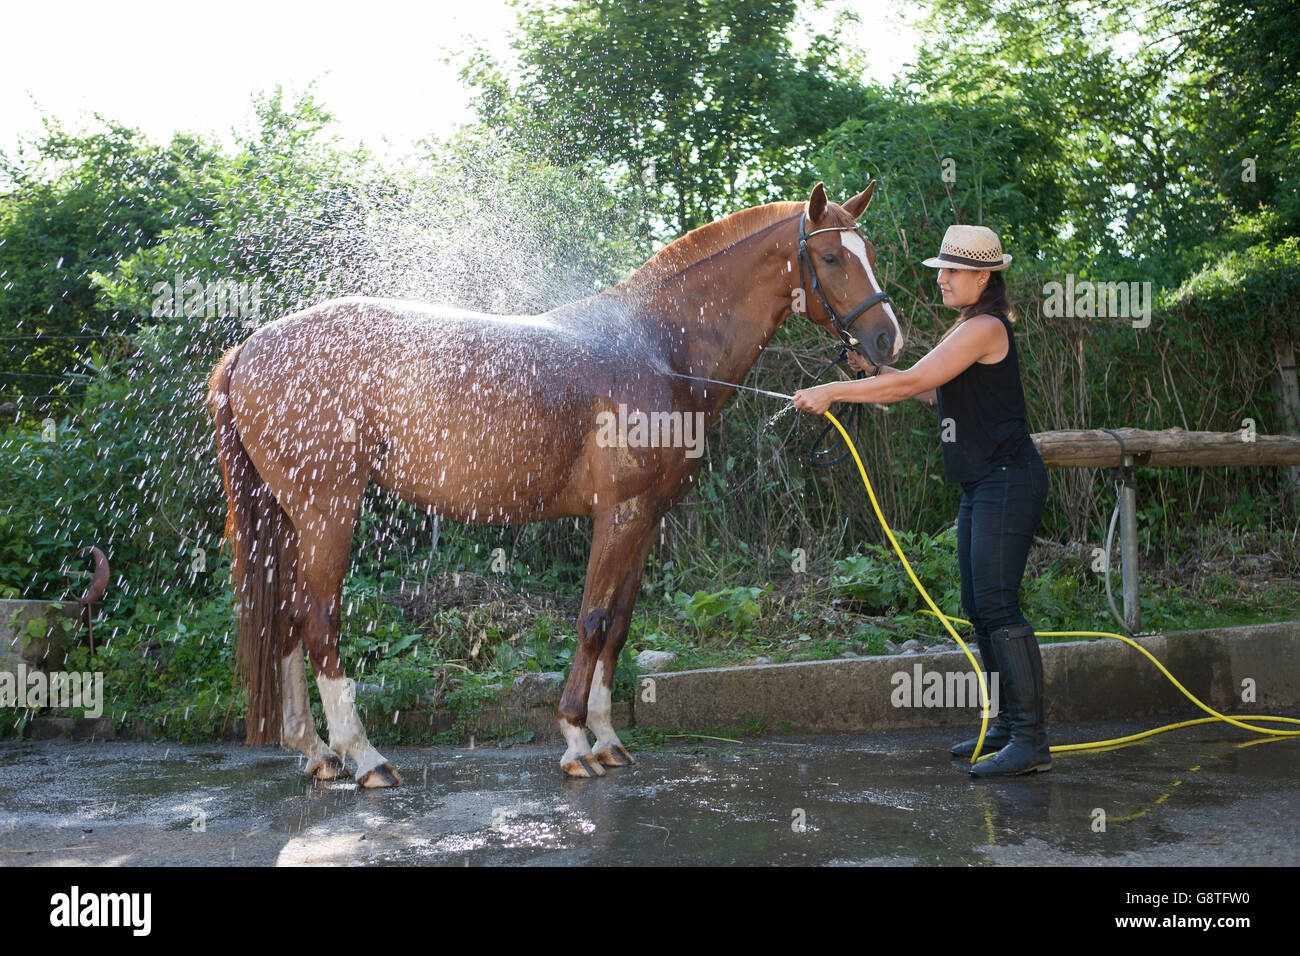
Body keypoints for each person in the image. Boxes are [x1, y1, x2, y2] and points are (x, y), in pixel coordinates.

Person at [792, 224, 1051, 776]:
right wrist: (873, 372)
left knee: (1000, 606)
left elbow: (909, 386)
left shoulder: (984, 326)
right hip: (984, 483)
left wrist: (834, 390)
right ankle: (1005, 728)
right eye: (943, 270)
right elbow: (930, 385)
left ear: (985, 276)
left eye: (954, 271)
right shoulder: (969, 329)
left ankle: (1031, 742)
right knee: (981, 608)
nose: (944, 279)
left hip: (1009, 480)